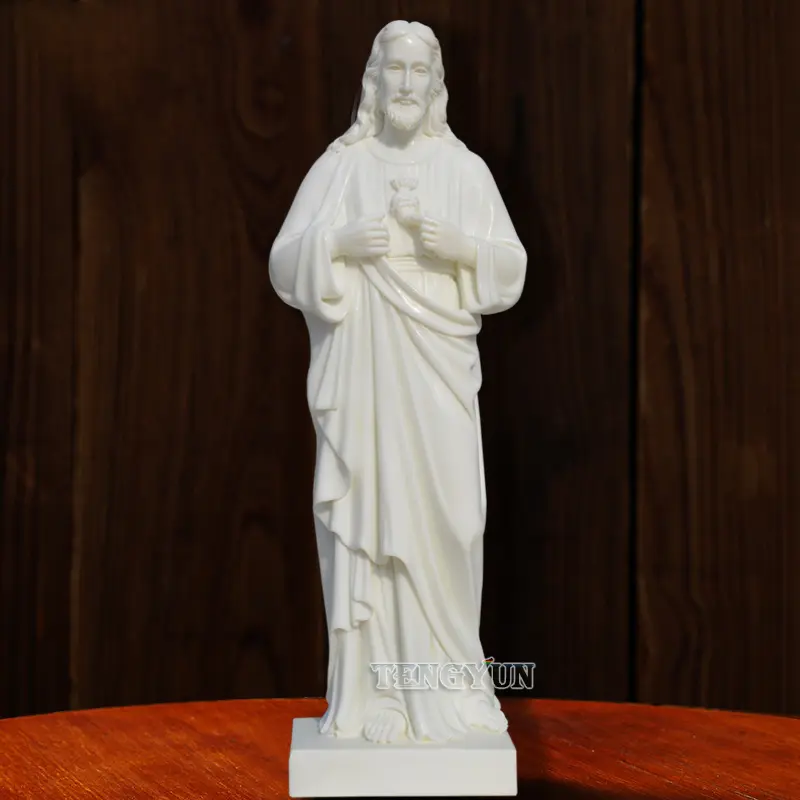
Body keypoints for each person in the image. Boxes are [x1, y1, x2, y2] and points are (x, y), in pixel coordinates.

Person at [269, 19, 526, 744]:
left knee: (453, 519)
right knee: (371, 521)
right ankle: (376, 695)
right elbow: (284, 262)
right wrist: (338, 244)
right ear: (373, 82)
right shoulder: (341, 168)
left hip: (437, 367)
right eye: (395, 69)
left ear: (436, 85)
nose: (406, 84)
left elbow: (511, 268)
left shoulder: (465, 171)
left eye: (420, 71)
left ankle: (449, 689)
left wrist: (460, 247)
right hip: (369, 375)